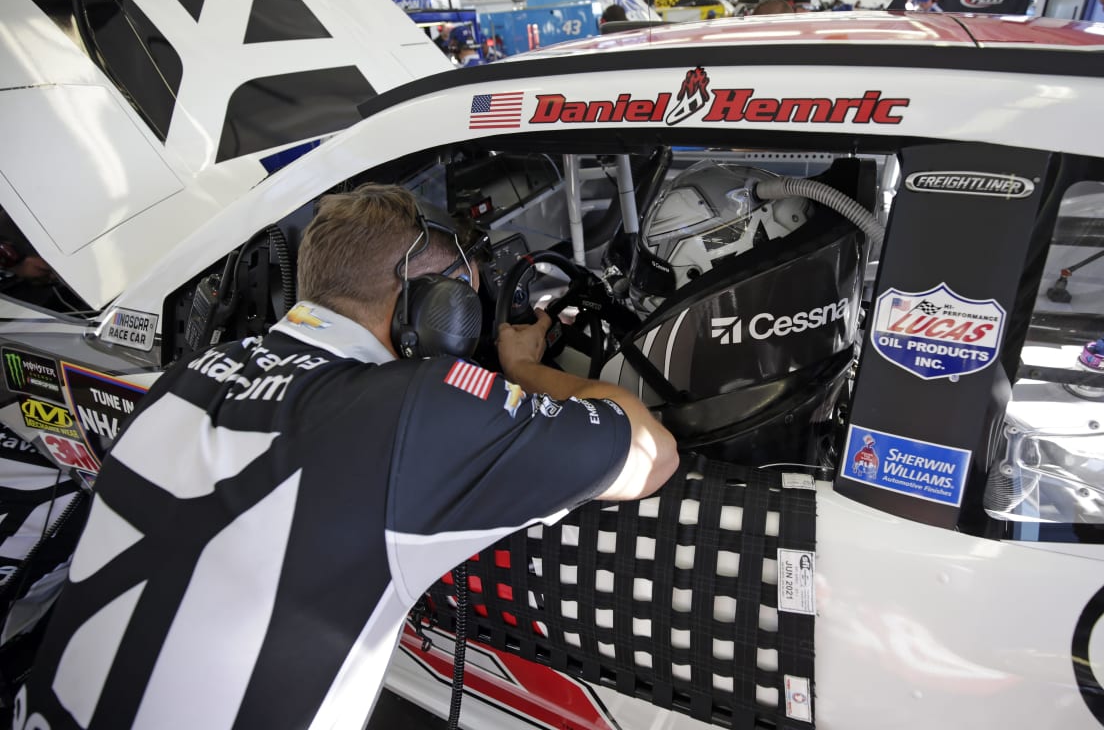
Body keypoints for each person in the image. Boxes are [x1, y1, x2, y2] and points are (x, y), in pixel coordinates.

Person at [15, 184, 678, 729]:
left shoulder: (187, 376)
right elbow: (653, 453)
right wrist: (524, 369)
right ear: (433, 309)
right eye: (466, 307)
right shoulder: (415, 411)